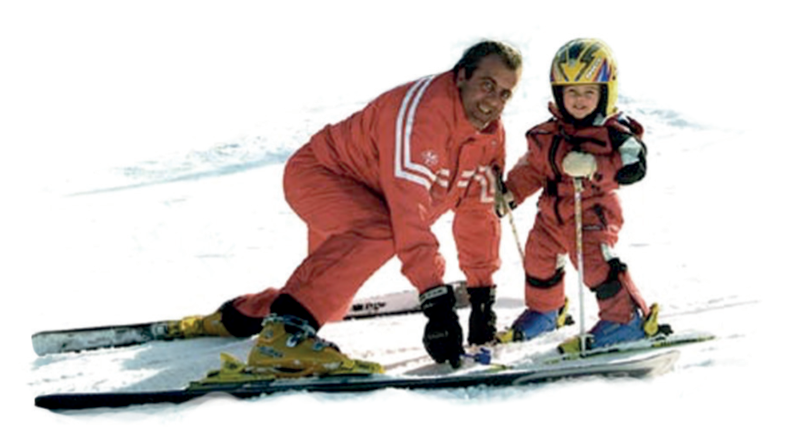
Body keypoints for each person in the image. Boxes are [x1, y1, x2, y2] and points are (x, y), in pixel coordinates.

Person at [171, 40, 523, 373]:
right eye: (487, 85)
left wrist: (482, 296)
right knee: (379, 232)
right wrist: (436, 301)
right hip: (321, 175)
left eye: (505, 93)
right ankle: (282, 339)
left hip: (366, 202)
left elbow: (477, 214)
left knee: (327, 301)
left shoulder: (490, 137)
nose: (493, 101)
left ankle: (236, 317)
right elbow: (407, 212)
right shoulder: (423, 115)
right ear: (461, 75)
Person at [495, 38, 662, 352]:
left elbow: (633, 165)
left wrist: (594, 165)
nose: (580, 100)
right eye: (571, 92)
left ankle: (626, 320)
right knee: (538, 260)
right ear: (559, 93)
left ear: (605, 93)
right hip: (552, 215)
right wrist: (511, 193)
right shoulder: (549, 133)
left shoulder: (615, 131)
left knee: (597, 265)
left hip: (593, 213)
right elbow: (533, 168)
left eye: (589, 92)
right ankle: (546, 311)